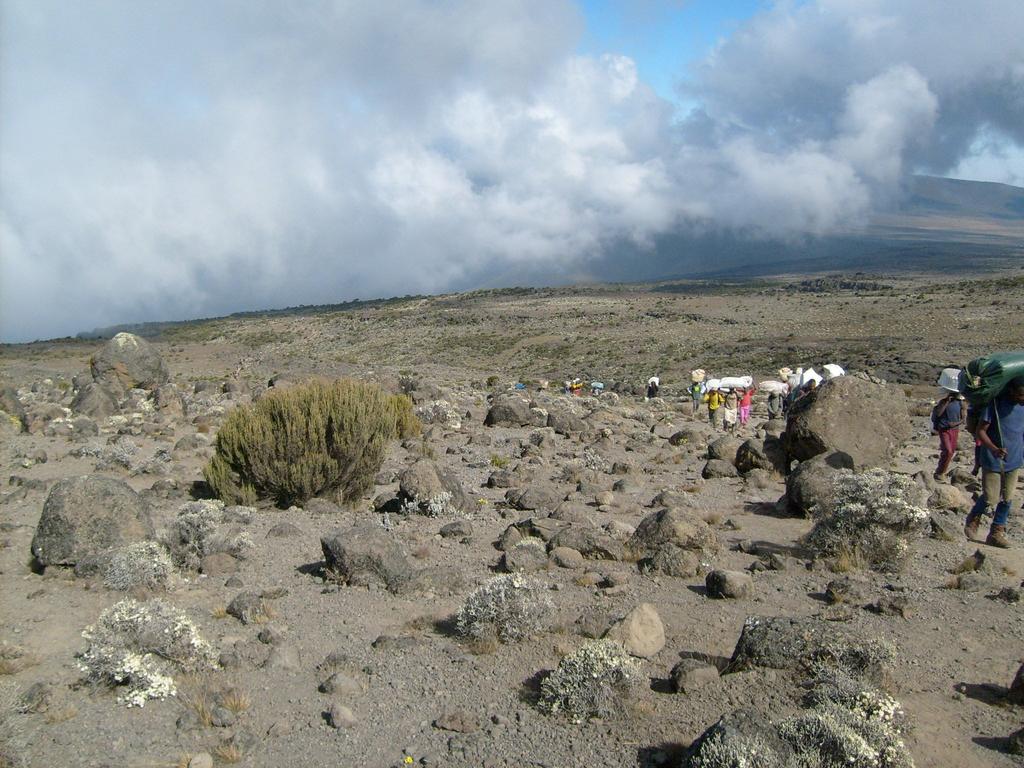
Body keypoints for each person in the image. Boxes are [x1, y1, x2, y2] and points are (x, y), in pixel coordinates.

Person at [963, 376, 1024, 548]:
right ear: (1011, 391)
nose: (1023, 398)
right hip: (993, 458)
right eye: (1020, 394)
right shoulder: (995, 406)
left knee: (1008, 497)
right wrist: (994, 448)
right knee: (991, 497)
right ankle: (974, 516)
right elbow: (980, 431)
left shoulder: (1023, 408)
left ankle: (997, 531)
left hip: (1015, 458)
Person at [931, 388, 965, 481]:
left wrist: (955, 423)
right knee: (948, 450)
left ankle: (941, 472)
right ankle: (940, 472)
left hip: (954, 430)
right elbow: (938, 414)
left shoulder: (960, 403)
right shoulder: (943, 402)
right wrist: (946, 402)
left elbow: (963, 419)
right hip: (943, 429)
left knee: (950, 452)